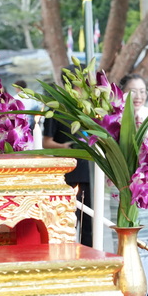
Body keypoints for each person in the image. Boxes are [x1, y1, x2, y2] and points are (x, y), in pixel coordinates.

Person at [43, 66, 94, 246]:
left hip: (86, 173)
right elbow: (46, 142)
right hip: (65, 174)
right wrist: (64, 146)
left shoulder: (87, 109)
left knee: (88, 223)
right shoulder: (56, 108)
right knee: (65, 223)